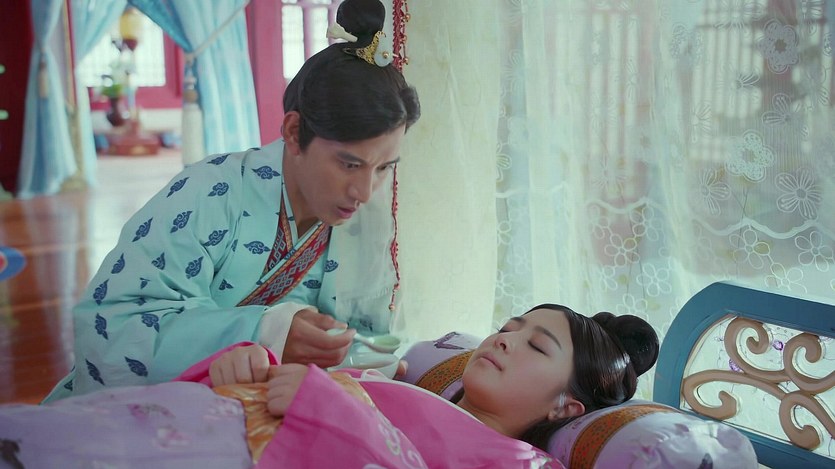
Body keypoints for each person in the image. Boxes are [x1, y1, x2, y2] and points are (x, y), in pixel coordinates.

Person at [43, 0, 420, 402]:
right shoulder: (209, 192)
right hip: (159, 414)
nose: (364, 192)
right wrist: (265, 331)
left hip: (278, 412)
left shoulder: (370, 218)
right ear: (294, 133)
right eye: (349, 164)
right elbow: (113, 328)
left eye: (383, 168)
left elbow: (370, 341)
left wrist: (362, 365)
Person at [1, 305, 657, 468]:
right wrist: (250, 360)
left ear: (566, 407)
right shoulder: (414, 389)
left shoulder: (521, 462)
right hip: (212, 414)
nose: (504, 339)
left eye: (535, 344)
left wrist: (328, 408)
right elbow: (309, 385)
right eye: (509, 326)